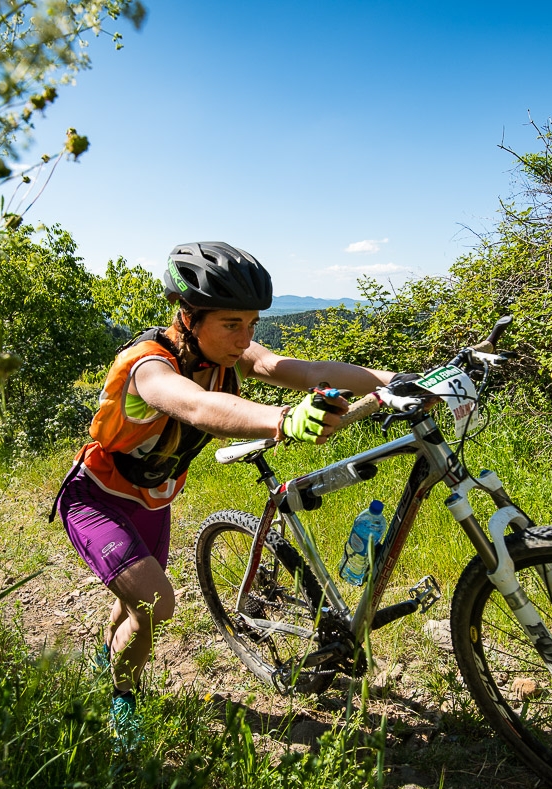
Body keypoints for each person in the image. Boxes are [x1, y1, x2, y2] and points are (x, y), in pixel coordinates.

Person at [54, 241, 396, 751]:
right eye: (231, 324)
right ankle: (123, 694)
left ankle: (109, 652)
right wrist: (282, 419)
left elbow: (301, 371)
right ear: (189, 318)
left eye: (252, 323)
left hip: (154, 498)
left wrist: (397, 382)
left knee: (131, 600)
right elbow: (193, 405)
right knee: (153, 602)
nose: (245, 338)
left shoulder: (229, 352)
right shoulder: (147, 366)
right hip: (97, 496)